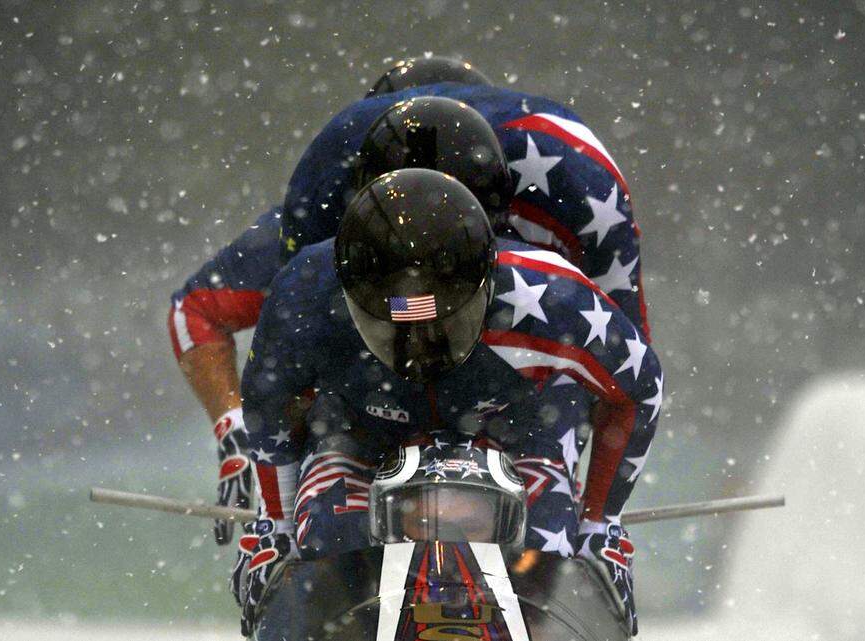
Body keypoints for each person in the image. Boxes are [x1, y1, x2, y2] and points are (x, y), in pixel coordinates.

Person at [166, 56, 652, 549]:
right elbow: (275, 349)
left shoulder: (567, 232)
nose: (420, 248)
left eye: (443, 249)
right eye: (394, 245)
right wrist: (600, 511)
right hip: (369, 403)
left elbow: (626, 375)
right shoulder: (313, 264)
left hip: (513, 396)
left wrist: (596, 512)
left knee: (548, 524)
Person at [231, 169, 662, 637]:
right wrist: (276, 524)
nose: (420, 346)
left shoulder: (555, 300)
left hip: (509, 426)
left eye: (442, 319)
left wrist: (600, 527)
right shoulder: (305, 295)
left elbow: (637, 390)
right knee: (327, 540)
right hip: (360, 427)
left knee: (548, 546)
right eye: (395, 324)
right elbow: (270, 401)